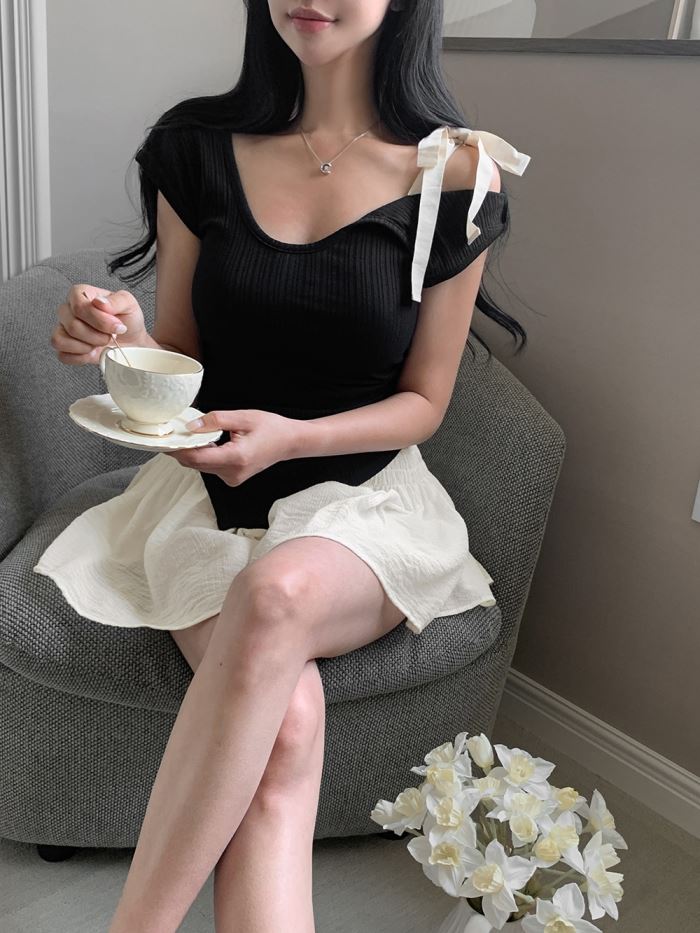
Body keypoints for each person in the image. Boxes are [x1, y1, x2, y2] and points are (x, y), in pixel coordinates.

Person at [34, 1, 531, 929]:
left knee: (275, 594)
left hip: (364, 504)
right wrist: (122, 337)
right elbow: (180, 347)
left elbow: (425, 401)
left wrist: (291, 437)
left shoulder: (459, 173)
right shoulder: (194, 146)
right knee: (288, 725)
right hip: (204, 504)